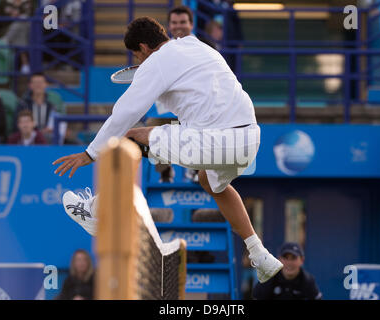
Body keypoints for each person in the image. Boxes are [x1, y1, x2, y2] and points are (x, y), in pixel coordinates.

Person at [53, 17, 283, 284]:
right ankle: (260, 253)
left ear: (143, 47)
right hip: (249, 140)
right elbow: (190, 96)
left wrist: (90, 153)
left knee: (130, 138)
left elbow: (125, 113)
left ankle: (96, 210)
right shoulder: (196, 46)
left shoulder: (155, 63)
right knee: (210, 181)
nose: (138, 61)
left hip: (214, 140)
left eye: (136, 55)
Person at [253, 242, 322, 300]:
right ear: (279, 259)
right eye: (285, 258)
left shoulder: (307, 280)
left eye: (293, 258)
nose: (289, 262)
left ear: (302, 260)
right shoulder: (269, 277)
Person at [14, 73, 56, 141]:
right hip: (28, 137)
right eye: (35, 82)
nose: (38, 85)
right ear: (30, 85)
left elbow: (54, 124)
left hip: (48, 137)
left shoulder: (51, 106)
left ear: (46, 84)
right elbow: (17, 125)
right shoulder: (23, 104)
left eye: (40, 82)